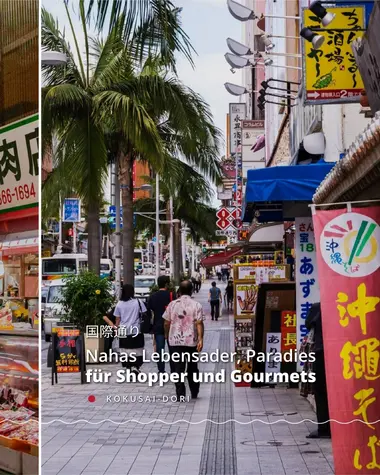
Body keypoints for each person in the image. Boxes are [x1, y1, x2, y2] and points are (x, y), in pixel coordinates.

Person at [163, 280, 204, 399]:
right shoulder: (196, 305)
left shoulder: (172, 304)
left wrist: (167, 335)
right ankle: (194, 391)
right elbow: (199, 323)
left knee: (178, 368)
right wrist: (200, 339)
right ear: (191, 291)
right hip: (192, 342)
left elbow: (166, 322)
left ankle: (180, 393)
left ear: (179, 291)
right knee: (192, 367)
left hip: (175, 342)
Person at [305, 302, 331, 439]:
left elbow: (308, 323)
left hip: (321, 353)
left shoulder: (317, 307)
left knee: (320, 390)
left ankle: (324, 428)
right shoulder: (344, 304)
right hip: (341, 354)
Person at [114, 284, 146, 374]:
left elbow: (117, 319)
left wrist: (116, 329)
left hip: (124, 331)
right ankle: (135, 366)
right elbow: (144, 313)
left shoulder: (119, 304)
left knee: (125, 350)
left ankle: (128, 366)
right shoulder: (138, 302)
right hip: (136, 330)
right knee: (137, 349)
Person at [147, 275, 174, 373]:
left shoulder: (153, 296)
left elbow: (149, 311)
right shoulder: (171, 295)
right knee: (173, 350)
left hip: (158, 325)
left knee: (160, 349)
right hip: (171, 326)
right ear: (167, 284)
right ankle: (174, 369)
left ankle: (161, 370)